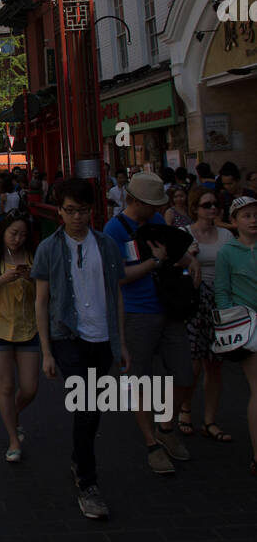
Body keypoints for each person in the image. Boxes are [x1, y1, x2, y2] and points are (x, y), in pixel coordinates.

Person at [33, 179, 128, 518]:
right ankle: (88, 483)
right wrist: (46, 351)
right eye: (70, 211)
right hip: (67, 338)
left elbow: (116, 295)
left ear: (92, 211)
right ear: (59, 212)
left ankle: (79, 459)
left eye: (83, 210)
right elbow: (41, 302)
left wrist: (121, 342)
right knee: (86, 406)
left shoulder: (106, 246)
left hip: (102, 339)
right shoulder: (48, 248)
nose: (76, 217)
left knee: (92, 410)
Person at [103, 172, 199, 474]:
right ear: (136, 201)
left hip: (169, 307)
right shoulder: (114, 230)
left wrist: (189, 261)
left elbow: (174, 253)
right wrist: (154, 263)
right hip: (136, 311)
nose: (158, 209)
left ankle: (166, 428)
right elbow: (118, 277)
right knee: (139, 380)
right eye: (152, 204)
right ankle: (151, 443)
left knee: (185, 373)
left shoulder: (157, 223)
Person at [0, 211, 39, 461]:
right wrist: (3, 278)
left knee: (30, 388)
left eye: (23, 234)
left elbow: (47, 288)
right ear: (3, 234)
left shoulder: (33, 257)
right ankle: (13, 439)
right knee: (7, 386)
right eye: (13, 233)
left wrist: (31, 277)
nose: (18, 239)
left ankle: (12, 414)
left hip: (28, 328)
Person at [180, 189, 233, 440]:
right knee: (193, 363)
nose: (212, 209)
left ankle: (210, 420)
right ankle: (185, 407)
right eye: (206, 205)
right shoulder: (186, 235)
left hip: (220, 300)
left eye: (215, 205)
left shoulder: (225, 235)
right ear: (195, 209)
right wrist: (189, 257)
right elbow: (173, 266)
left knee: (215, 363)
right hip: (194, 300)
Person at [215, 195, 257, 474]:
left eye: (256, 214)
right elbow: (222, 291)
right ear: (234, 221)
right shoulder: (227, 252)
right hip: (248, 326)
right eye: (246, 216)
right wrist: (233, 322)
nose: (253, 220)